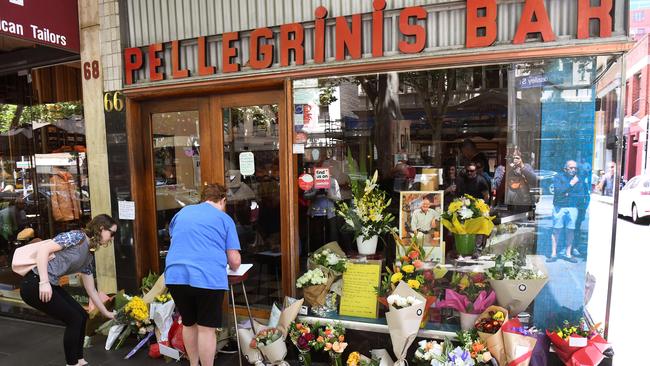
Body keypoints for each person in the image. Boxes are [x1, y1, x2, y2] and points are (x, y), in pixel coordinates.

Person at [20, 214, 117, 366]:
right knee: (74, 318)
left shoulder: (88, 257)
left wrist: (106, 313)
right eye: (112, 233)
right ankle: (72, 363)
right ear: (101, 228)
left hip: (48, 284)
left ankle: (79, 360)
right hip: (34, 283)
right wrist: (44, 282)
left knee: (82, 316)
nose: (112, 238)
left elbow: (91, 290)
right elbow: (43, 249)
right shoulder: (76, 237)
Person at [165, 183, 241, 366]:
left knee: (189, 323)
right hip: (207, 278)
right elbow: (235, 261)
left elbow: (177, 240)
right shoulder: (224, 219)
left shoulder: (182, 213)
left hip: (176, 276)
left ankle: (193, 364)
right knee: (207, 329)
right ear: (223, 200)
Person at [548, 160, 584, 263]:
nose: (573, 170)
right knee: (556, 230)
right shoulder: (558, 177)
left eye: (575, 168)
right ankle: (553, 254)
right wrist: (571, 184)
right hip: (559, 207)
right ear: (565, 168)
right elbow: (558, 192)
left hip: (572, 207)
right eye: (571, 167)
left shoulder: (578, 179)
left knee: (570, 230)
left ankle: (568, 254)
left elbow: (579, 194)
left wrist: (566, 192)